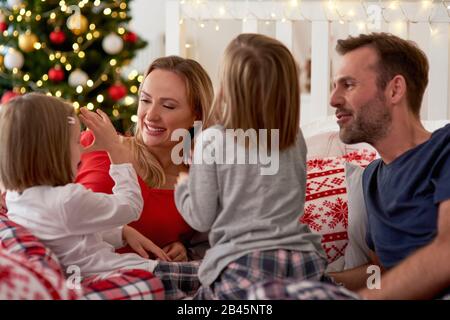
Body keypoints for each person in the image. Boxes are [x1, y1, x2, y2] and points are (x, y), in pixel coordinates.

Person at [249, 32, 450, 300]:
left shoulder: (444, 148)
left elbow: (446, 252)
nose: (333, 99)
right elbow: (380, 273)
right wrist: (319, 281)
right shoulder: (372, 179)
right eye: (335, 85)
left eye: (349, 85)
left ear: (394, 89)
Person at [174, 33, 327, 300]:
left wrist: (184, 187)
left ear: (227, 87)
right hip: (304, 261)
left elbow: (201, 218)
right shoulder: (294, 138)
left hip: (245, 264)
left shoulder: (212, 140)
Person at [0, 93, 170, 280]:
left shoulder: (15, 198)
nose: (82, 150)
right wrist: (115, 149)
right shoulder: (67, 199)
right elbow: (131, 206)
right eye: (76, 142)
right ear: (56, 152)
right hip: (126, 274)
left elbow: (67, 228)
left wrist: (121, 233)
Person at [76, 56, 214, 262]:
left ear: (197, 115)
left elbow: (202, 243)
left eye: (168, 106)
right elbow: (36, 186)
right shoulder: (95, 145)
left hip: (135, 286)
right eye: (145, 100)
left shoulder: (198, 185)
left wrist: (183, 249)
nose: (151, 115)